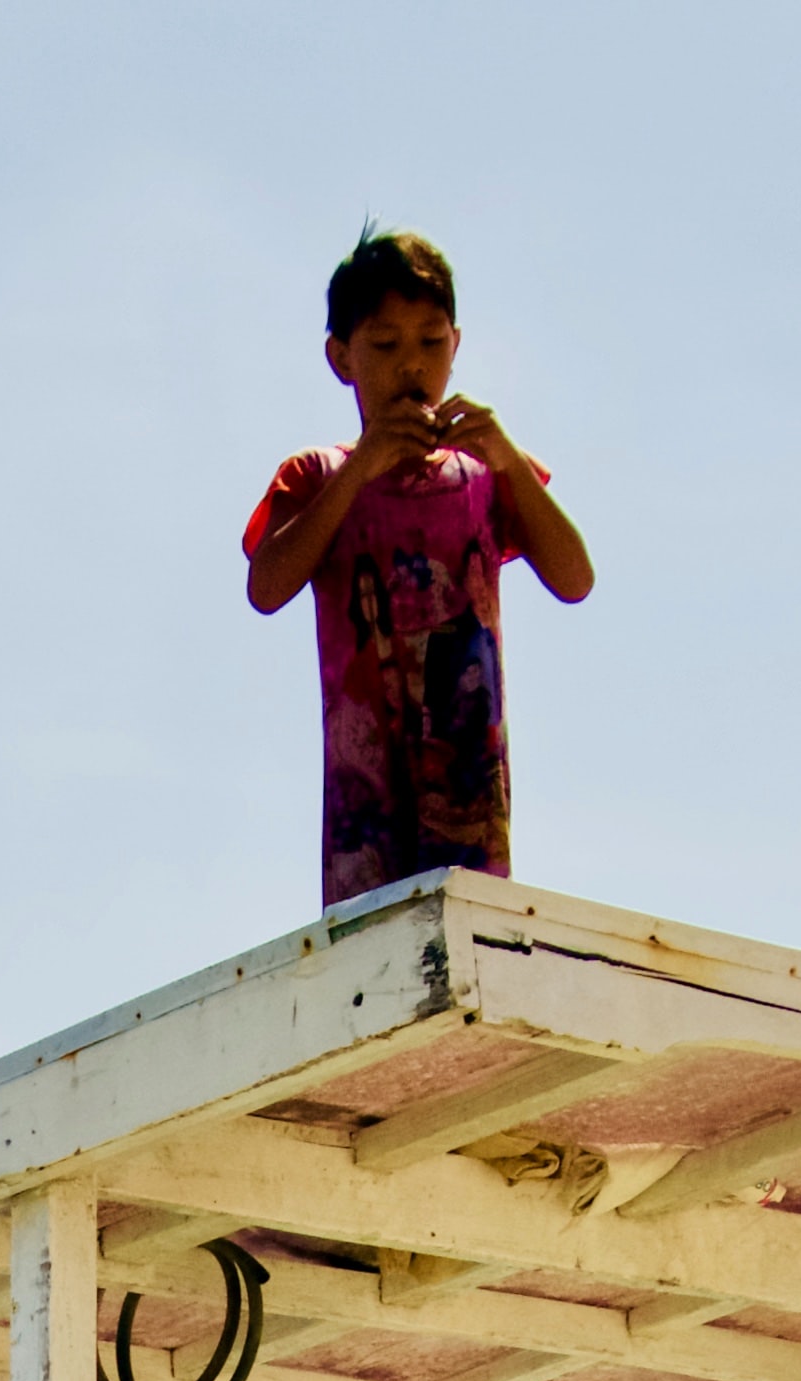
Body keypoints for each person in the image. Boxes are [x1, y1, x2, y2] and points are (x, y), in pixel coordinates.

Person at [241, 228, 597, 908]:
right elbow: (266, 586)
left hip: (467, 786)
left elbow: (575, 578)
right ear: (341, 358)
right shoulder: (318, 476)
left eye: (431, 343)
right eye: (385, 345)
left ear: (455, 349)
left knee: (470, 941)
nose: (412, 365)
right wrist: (360, 469)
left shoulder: (484, 476)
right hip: (366, 798)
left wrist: (505, 454)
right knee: (372, 958)